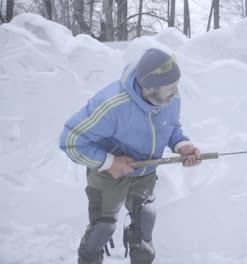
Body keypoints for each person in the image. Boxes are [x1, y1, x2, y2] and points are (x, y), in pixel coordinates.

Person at [59, 48, 201, 264]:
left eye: (176, 86)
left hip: (145, 173)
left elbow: (170, 126)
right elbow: (70, 140)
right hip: (109, 175)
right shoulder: (112, 105)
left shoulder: (171, 98)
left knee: (145, 221)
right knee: (102, 228)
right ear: (149, 87)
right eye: (170, 88)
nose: (176, 93)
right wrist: (109, 163)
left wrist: (183, 145)